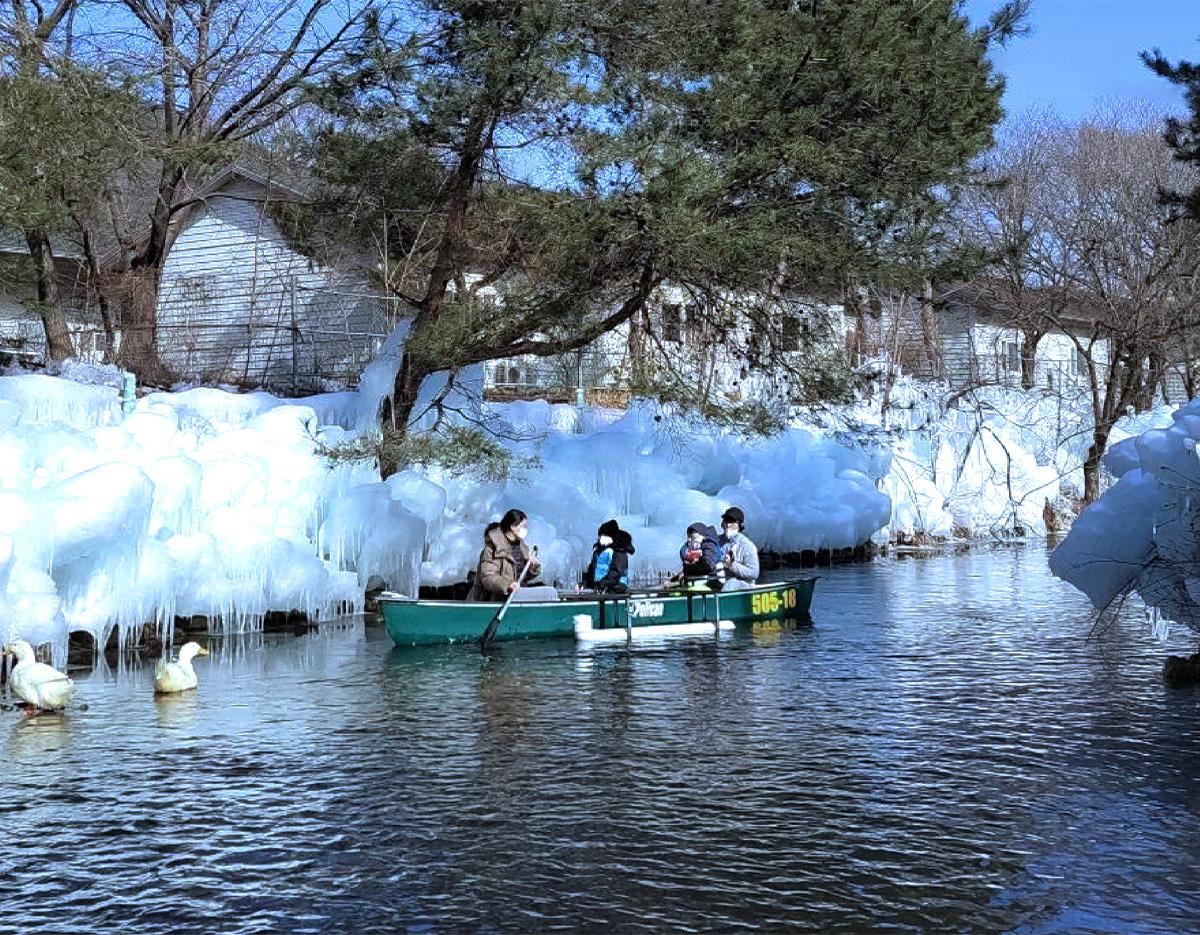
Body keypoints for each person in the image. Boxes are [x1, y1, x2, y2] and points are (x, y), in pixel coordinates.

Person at [467, 508, 542, 601]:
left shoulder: (522, 547)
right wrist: (507, 585)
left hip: (516, 597)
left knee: (549, 593)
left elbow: (521, 576)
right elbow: (488, 577)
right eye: (523, 526)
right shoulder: (493, 548)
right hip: (494, 600)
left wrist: (532, 567)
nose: (525, 529)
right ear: (513, 527)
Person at [583, 519, 635, 593]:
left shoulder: (618, 551)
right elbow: (592, 570)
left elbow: (616, 572)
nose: (601, 538)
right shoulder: (598, 552)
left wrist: (604, 583)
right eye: (600, 536)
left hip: (616, 589)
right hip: (600, 589)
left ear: (611, 536)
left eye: (604, 535)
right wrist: (585, 584)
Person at [672, 522, 724, 589]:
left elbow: (707, 566)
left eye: (692, 537)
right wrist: (673, 580)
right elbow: (689, 570)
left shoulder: (710, 546)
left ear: (702, 536)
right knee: (676, 591)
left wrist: (687, 569)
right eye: (688, 537)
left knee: (691, 589)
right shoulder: (691, 550)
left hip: (714, 582)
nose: (689, 540)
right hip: (699, 581)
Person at [718, 506, 759, 591]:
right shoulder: (717, 541)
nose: (728, 525)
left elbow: (754, 573)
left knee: (731, 583)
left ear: (740, 525)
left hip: (743, 586)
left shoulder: (748, 546)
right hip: (719, 583)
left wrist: (732, 565)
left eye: (732, 522)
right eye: (726, 520)